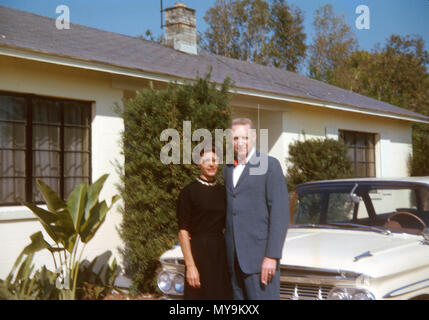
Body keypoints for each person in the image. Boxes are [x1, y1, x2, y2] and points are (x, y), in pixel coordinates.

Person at [222, 118, 289, 300]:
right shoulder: (227, 169)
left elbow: (280, 215)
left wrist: (271, 256)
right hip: (233, 259)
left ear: (253, 137)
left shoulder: (269, 166)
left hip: (259, 259)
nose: (240, 143)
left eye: (244, 138)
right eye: (235, 139)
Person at [176, 145, 233, 300]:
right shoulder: (188, 192)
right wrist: (191, 267)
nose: (211, 164)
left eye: (214, 160)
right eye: (206, 160)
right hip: (198, 255)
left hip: (220, 255)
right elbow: (183, 231)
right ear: (198, 163)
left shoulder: (224, 192)